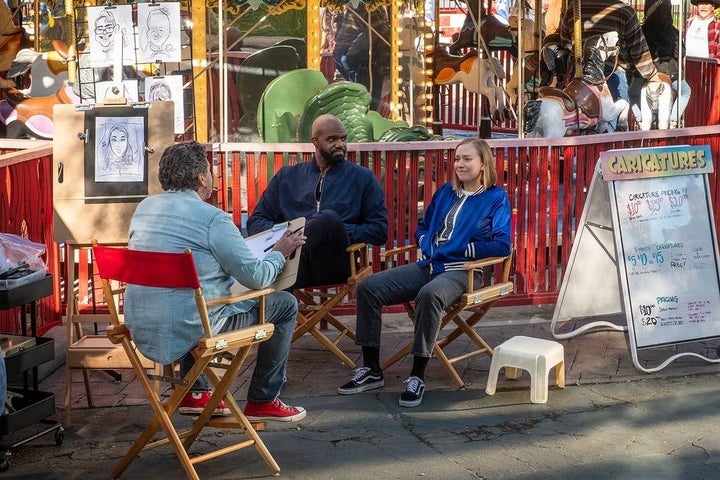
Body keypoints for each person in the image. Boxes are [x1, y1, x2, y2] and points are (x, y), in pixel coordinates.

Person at [124, 141, 307, 422]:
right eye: (210, 171)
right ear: (201, 178)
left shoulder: (144, 209)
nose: (212, 177)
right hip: (192, 325)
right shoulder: (213, 218)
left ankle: (196, 391)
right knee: (285, 303)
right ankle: (263, 398)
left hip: (141, 324)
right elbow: (257, 277)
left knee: (194, 294)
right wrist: (279, 253)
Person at [337, 138, 511, 408]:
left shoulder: (495, 198)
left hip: (463, 273)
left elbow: (502, 244)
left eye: (468, 159)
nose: (460, 164)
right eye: (457, 159)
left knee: (429, 295)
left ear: (483, 163)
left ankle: (417, 375)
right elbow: (424, 226)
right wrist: (423, 241)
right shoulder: (445, 192)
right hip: (429, 265)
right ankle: (372, 370)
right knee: (369, 287)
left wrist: (463, 250)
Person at [247, 114, 388, 289]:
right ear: (315, 141)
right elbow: (256, 222)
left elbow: (380, 230)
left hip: (334, 263)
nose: (340, 144)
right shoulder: (287, 177)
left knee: (328, 219)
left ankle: (265, 277)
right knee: (320, 222)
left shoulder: (363, 178)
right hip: (292, 265)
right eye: (332, 139)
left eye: (343, 138)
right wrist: (290, 233)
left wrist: (336, 229)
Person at [559, 0, 665, 118]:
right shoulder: (624, 11)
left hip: (579, 73)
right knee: (613, 123)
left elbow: (565, 42)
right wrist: (651, 74)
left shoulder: (574, 9)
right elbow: (638, 49)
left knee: (578, 120)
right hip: (613, 74)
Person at [630, 0, 691, 128]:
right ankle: (674, 119)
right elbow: (681, 52)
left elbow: (635, 51)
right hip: (670, 72)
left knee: (631, 93)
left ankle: (639, 119)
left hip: (645, 73)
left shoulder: (642, 31)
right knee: (685, 92)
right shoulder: (673, 32)